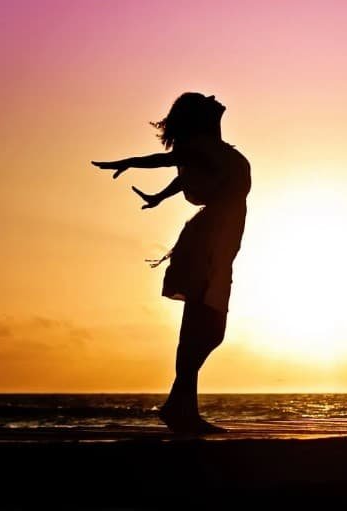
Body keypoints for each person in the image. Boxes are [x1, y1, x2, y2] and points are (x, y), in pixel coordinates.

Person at [92, 92, 251, 434]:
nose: (213, 97)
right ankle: (181, 409)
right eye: (204, 99)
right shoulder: (201, 146)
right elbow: (166, 161)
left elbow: (184, 175)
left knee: (206, 329)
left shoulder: (213, 151)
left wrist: (159, 197)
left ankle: (179, 406)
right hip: (207, 245)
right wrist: (131, 162)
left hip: (216, 245)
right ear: (199, 116)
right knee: (203, 327)